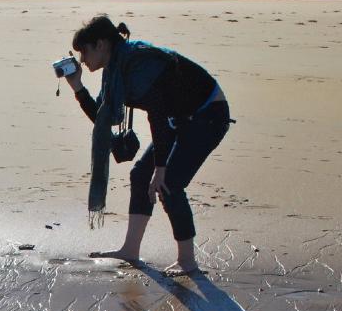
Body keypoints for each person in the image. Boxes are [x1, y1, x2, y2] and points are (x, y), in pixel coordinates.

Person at [65, 15, 232, 275]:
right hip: (179, 118)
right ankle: (131, 250)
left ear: (100, 45)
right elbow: (102, 117)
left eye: (83, 52)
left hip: (208, 115)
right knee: (140, 175)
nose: (82, 59)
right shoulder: (115, 69)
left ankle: (187, 262)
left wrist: (161, 167)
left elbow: (157, 113)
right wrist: (77, 86)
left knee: (169, 184)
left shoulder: (137, 62)